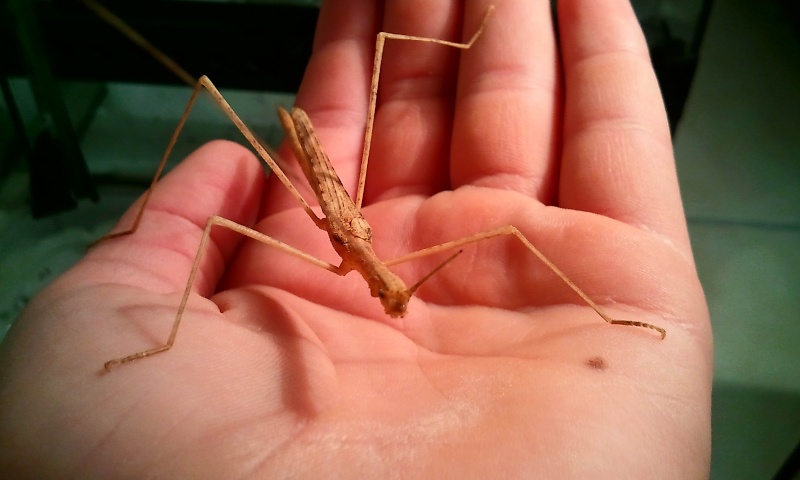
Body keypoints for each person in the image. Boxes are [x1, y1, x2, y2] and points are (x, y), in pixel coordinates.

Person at [0, 0, 711, 477]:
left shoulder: (392, 272)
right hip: (324, 192)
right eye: (393, 290)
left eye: (392, 291)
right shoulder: (353, 254)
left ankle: (607, 310)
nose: (394, 294)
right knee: (212, 99)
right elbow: (250, 223)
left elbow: (494, 237)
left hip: (346, 216)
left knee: (498, 221)